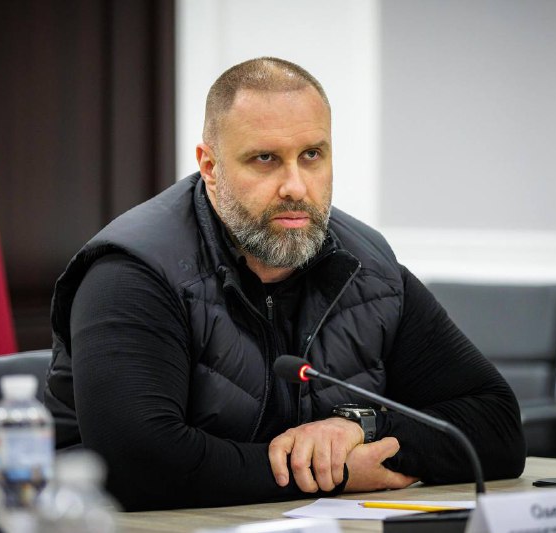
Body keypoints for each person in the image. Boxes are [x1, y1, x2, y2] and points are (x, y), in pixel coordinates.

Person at [44, 57, 526, 511]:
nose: (295, 186)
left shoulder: (368, 267)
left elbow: (497, 426)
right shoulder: (132, 274)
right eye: (265, 159)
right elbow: (139, 463)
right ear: (210, 167)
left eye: (312, 155)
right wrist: (331, 473)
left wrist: (360, 428)